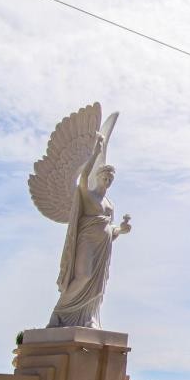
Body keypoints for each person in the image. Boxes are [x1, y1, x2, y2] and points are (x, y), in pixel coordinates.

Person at [49, 134, 131, 328]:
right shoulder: (89, 196)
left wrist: (121, 229)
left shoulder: (110, 204)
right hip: (87, 242)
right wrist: (96, 152)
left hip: (103, 246)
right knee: (83, 276)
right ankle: (59, 312)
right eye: (105, 177)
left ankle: (89, 317)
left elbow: (109, 227)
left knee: (97, 284)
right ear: (98, 177)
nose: (107, 180)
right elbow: (83, 178)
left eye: (110, 179)